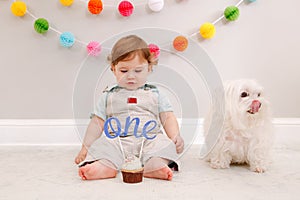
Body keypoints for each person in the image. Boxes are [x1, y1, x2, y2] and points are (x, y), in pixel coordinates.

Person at [75, 35, 184, 181]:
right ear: (113, 69)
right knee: (102, 147)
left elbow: (168, 117)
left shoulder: (156, 94)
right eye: (124, 71)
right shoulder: (108, 96)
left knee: (165, 146)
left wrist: (175, 136)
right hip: (117, 140)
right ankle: (105, 166)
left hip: (149, 139)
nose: (131, 76)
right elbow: (97, 122)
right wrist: (85, 147)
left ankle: (154, 165)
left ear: (149, 68)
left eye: (138, 71)